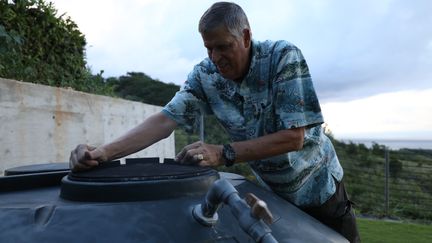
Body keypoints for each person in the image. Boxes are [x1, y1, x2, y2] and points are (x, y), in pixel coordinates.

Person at [70, 2, 360, 242]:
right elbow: (164, 120)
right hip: (275, 195)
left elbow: (293, 138)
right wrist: (104, 153)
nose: (215, 58)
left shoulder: (283, 58)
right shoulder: (205, 75)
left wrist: (222, 153)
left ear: (246, 37)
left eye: (223, 47)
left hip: (322, 193)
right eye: (209, 48)